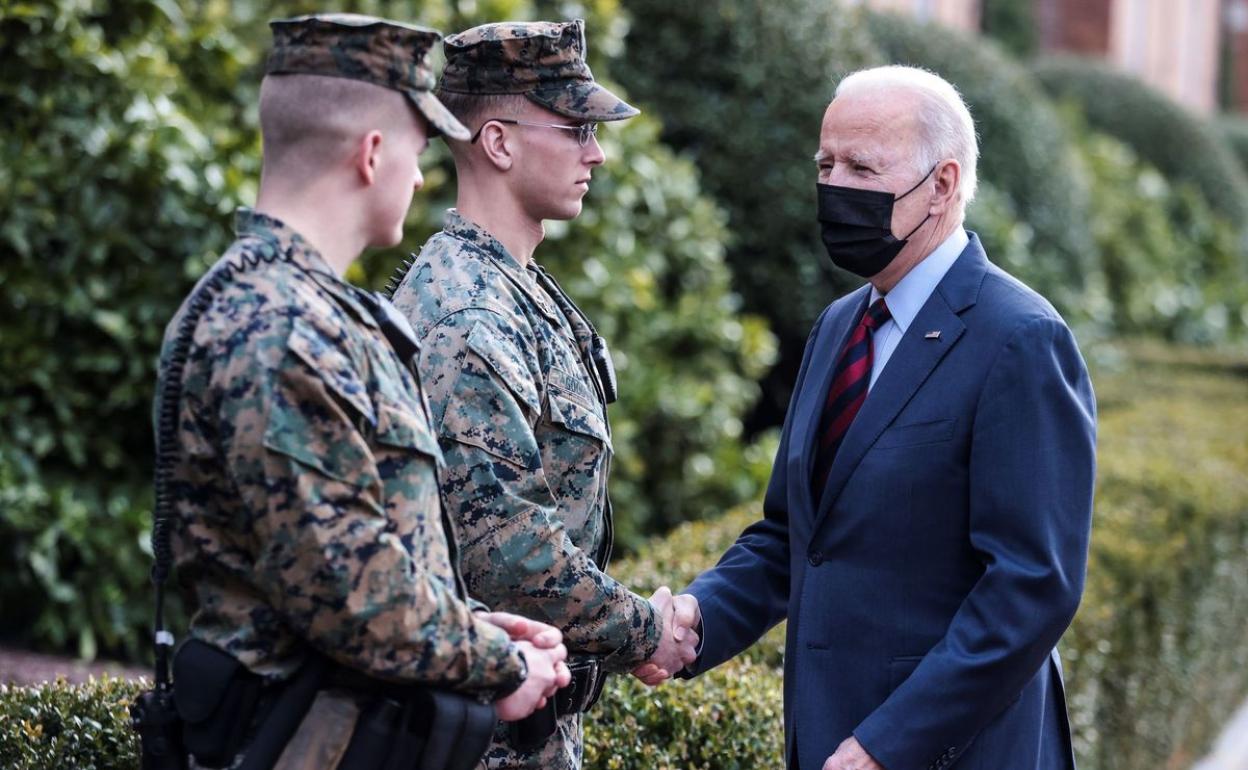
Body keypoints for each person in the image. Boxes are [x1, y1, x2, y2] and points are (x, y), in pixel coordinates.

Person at [156, 14, 571, 768]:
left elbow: (368, 549)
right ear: (372, 153)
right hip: (297, 738)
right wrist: (502, 663)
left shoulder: (292, 307)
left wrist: (480, 626)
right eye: (416, 151)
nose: (420, 176)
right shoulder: (282, 327)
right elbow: (352, 592)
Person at [670, 65, 1097, 770]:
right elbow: (793, 536)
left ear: (942, 184)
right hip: (825, 738)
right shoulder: (840, 326)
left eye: (863, 167)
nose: (836, 187)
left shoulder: (1020, 339)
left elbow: (1031, 586)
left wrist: (888, 744)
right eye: (826, 163)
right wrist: (698, 617)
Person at [388, 19, 699, 770]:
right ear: (498, 142)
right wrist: (647, 632)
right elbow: (508, 554)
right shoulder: (468, 314)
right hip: (476, 739)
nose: (596, 152)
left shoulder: (514, 288)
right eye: (576, 128)